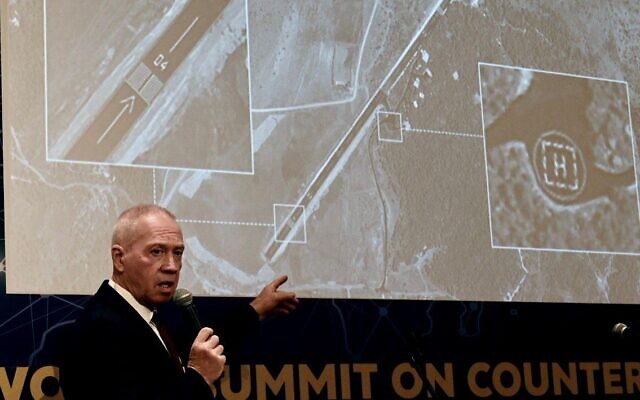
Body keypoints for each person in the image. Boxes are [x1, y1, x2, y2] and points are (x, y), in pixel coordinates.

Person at [59, 204, 298, 400]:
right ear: (119, 259)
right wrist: (198, 376)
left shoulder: (142, 315)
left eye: (178, 253)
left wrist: (257, 309)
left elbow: (196, 345)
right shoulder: (98, 330)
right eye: (156, 252)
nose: (171, 266)